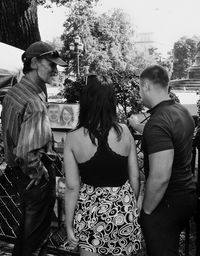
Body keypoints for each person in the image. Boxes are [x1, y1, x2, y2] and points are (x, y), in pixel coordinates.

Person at [63, 74, 141, 256]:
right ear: (111, 101)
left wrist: (69, 225)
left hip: (90, 212)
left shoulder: (73, 138)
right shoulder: (125, 131)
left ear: (86, 102)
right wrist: (129, 204)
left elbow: (72, 186)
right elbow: (135, 177)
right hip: (123, 210)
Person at [1, 41, 67, 256]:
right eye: (51, 64)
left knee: (27, 234)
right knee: (35, 238)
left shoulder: (13, 93)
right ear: (36, 62)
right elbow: (27, 152)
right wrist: (40, 173)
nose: (56, 70)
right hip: (34, 175)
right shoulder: (34, 102)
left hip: (20, 173)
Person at [128, 65, 197, 256]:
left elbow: (160, 176)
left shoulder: (158, 122)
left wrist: (147, 211)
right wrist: (140, 127)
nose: (140, 93)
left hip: (165, 203)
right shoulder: (182, 112)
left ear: (147, 86)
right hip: (186, 195)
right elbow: (167, 137)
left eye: (140, 88)